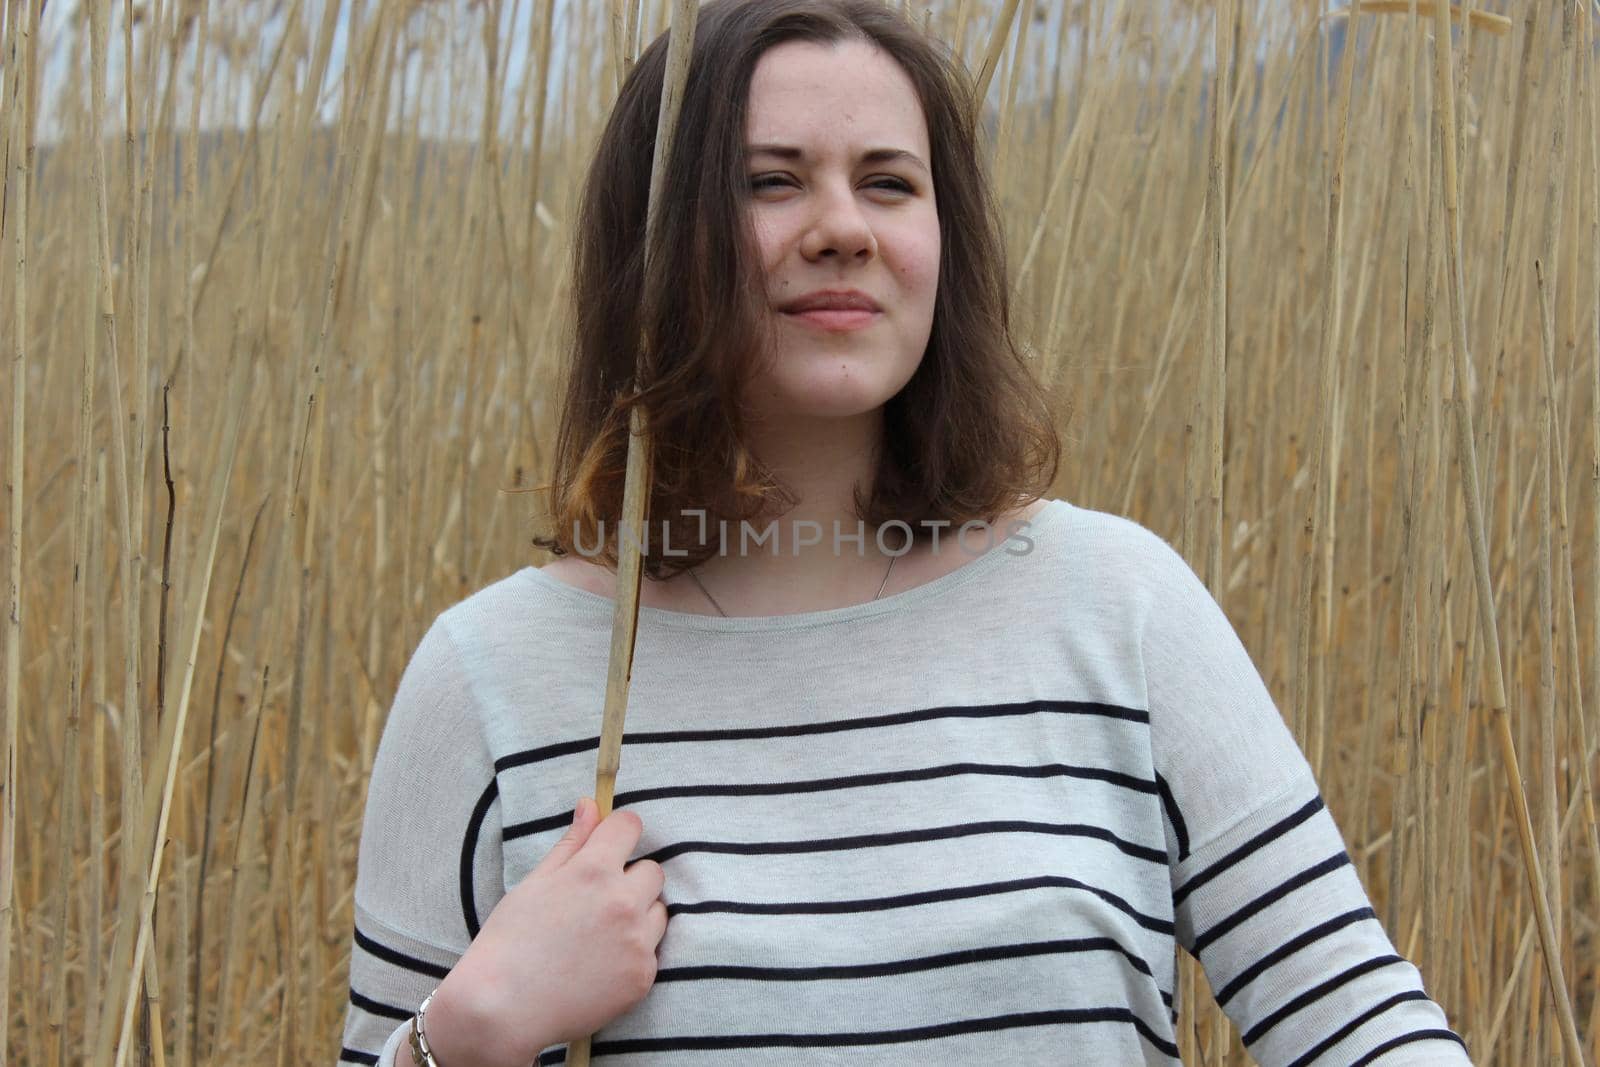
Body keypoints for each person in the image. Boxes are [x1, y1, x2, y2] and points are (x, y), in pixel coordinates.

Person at [337, 1, 1472, 1064]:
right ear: (657, 240)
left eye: (888, 183)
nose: (840, 227)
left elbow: (1358, 1020)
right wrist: (466, 1032)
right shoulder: (490, 683)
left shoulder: (1115, 606)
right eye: (768, 181)